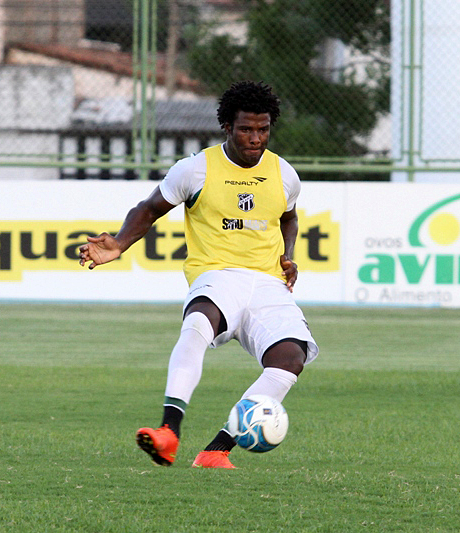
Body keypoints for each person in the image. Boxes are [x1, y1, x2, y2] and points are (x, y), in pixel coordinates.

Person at [79, 81, 318, 468]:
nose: (256, 138)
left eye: (263, 129)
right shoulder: (195, 169)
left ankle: (216, 451)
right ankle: (168, 431)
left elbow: (289, 217)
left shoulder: (284, 173)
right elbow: (149, 208)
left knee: (291, 357)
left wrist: (289, 256)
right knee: (198, 322)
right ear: (227, 126)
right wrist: (120, 243)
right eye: (246, 129)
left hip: (270, 284)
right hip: (218, 274)